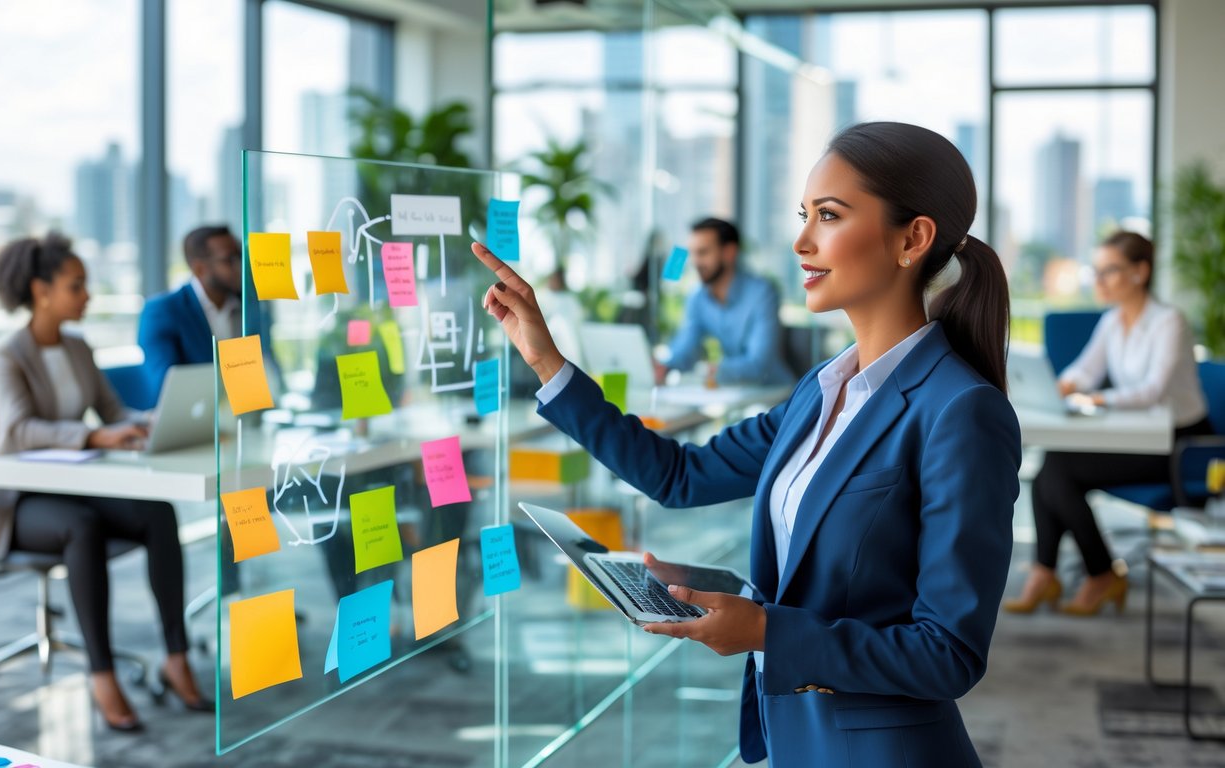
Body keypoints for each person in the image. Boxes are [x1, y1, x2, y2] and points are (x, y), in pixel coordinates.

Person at [473, 121, 1021, 767]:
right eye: (802, 215)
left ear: (912, 238)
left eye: (828, 215)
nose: (801, 241)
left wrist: (763, 630)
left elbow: (947, 655)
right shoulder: (820, 390)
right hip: (795, 735)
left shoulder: (959, 411)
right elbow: (680, 476)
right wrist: (547, 363)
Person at [0, 233, 209, 731]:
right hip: (20, 500)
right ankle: (101, 673)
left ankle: (177, 656)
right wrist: (94, 435)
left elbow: (112, 411)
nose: (87, 296)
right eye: (76, 286)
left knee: (157, 512)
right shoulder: (7, 355)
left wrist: (150, 420)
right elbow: (18, 429)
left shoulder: (79, 347)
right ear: (41, 291)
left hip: (72, 485)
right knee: (81, 526)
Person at [1004, 231, 1211, 616]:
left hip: (1178, 445)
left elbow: (1152, 390)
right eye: (1095, 271)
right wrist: (1061, 385)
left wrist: (1096, 397)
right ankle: (1050, 572)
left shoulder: (1170, 322)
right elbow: (1086, 370)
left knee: (1059, 469)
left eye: (1109, 271)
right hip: (1138, 434)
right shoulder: (1113, 321)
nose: (1098, 281)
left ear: (1140, 271)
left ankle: (1092, 573)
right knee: (1054, 464)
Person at [656, 217, 792, 387]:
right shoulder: (697, 298)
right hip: (735, 391)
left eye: (703, 252)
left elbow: (759, 363)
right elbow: (686, 346)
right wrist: (665, 366)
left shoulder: (762, 293)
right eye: (693, 253)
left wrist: (713, 370)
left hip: (774, 392)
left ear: (729, 252)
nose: (695, 262)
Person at [138, 225, 244, 396]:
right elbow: (167, 389)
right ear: (200, 268)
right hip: (193, 419)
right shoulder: (162, 311)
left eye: (240, 257)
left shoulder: (249, 307)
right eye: (229, 260)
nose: (240, 266)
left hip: (247, 416)